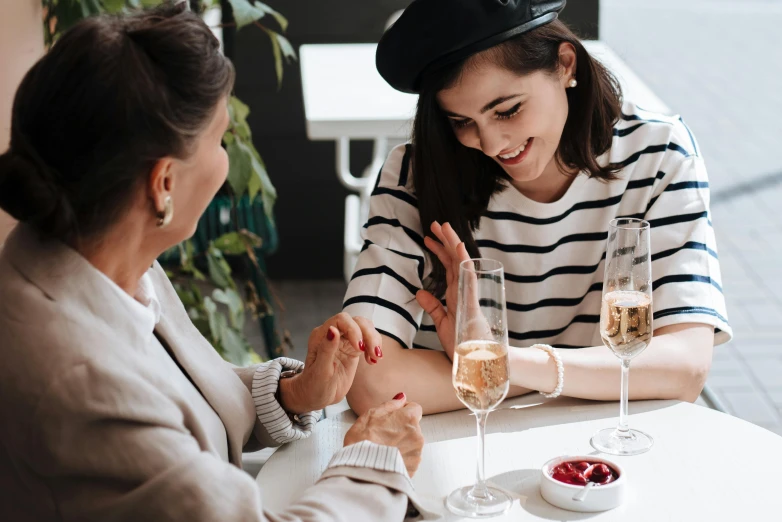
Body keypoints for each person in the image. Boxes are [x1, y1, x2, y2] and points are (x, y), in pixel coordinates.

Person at [0, 5, 435, 521]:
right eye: (220, 139)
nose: (227, 161)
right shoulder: (82, 387)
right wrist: (374, 463)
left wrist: (294, 393)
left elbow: (174, 409)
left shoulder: (101, 256)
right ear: (163, 184)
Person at [344, 0, 732, 415]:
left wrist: (496, 362)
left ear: (566, 64)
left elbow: (686, 366)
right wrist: (597, 377)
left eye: (508, 110)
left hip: (593, 451)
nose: (492, 144)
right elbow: (369, 381)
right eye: (462, 122)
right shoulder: (416, 174)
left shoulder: (659, 155)